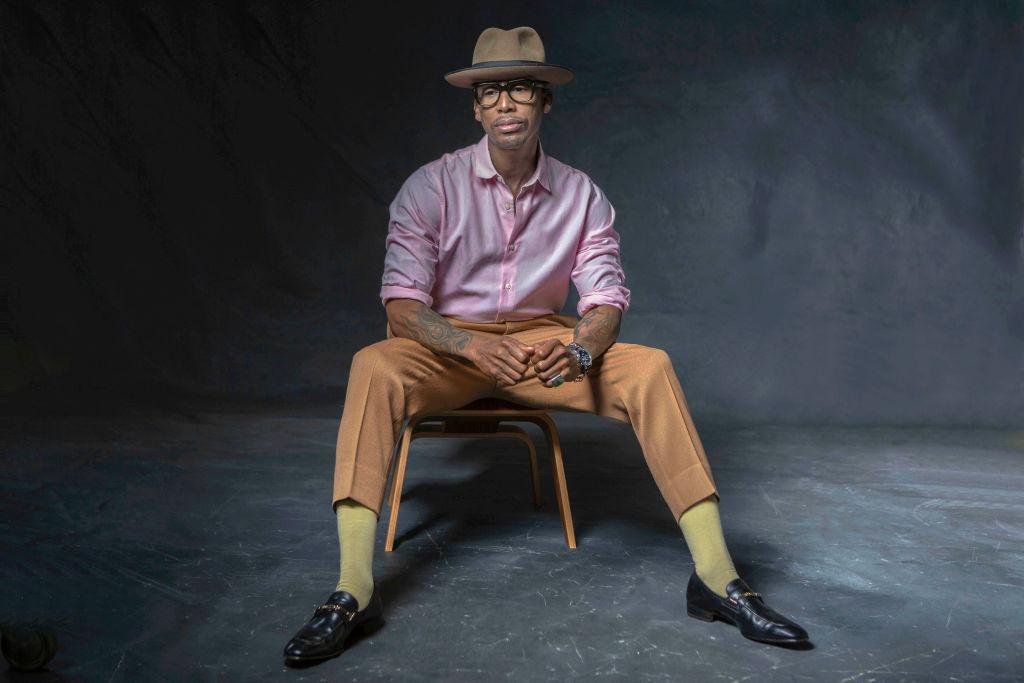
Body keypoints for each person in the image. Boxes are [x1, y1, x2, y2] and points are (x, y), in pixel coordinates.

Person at [283, 26, 809, 667]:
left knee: (651, 368)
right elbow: (401, 304)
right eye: (493, 91)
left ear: (545, 103)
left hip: (546, 347)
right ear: (476, 107)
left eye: (522, 90)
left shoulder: (583, 195)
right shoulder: (431, 187)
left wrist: (583, 350)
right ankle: (353, 590)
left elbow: (606, 299)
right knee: (373, 365)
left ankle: (717, 579)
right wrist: (469, 348)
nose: (507, 104)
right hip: (450, 347)